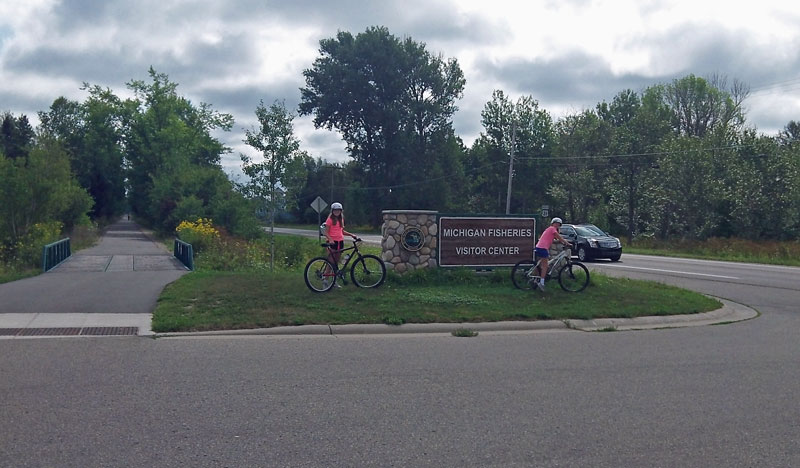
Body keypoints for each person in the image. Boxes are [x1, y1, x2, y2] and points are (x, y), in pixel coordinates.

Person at [534, 217, 571, 290]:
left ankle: (536, 279)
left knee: (540, 265)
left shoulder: (549, 230)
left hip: (539, 247)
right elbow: (559, 238)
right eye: (556, 223)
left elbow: (557, 238)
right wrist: (567, 243)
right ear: (553, 223)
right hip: (543, 248)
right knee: (545, 266)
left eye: (559, 224)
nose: (557, 225)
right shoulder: (552, 229)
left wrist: (562, 241)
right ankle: (541, 283)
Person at [324, 202, 357, 268]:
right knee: (331, 262)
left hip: (340, 242)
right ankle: (326, 277)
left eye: (338, 210)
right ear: (332, 211)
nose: (337, 212)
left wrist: (351, 235)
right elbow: (326, 232)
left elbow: (341, 231)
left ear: (341, 211)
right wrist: (330, 239)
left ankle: (334, 276)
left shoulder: (341, 219)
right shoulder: (329, 220)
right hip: (333, 242)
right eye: (335, 210)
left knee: (336, 261)